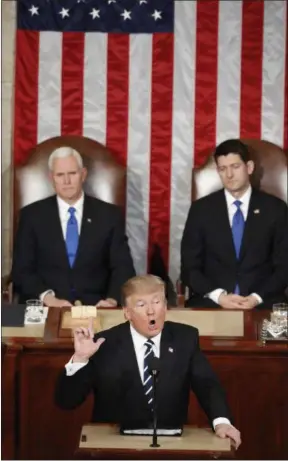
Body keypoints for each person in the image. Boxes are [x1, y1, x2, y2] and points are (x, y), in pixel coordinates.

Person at [55, 274, 241, 449]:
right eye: (141, 304)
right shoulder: (103, 343)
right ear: (127, 312)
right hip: (114, 447)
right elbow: (67, 401)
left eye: (157, 302)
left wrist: (222, 422)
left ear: (165, 306)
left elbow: (207, 384)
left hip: (171, 446)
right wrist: (80, 358)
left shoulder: (185, 338)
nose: (151, 311)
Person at [12, 146, 135, 307]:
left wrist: (111, 300)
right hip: (47, 306)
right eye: (60, 175)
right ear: (51, 178)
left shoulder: (109, 215)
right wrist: (48, 298)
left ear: (83, 174)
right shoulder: (31, 216)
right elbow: (22, 270)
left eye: (72, 173)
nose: (66, 181)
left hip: (97, 306)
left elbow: (123, 267)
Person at [181, 139, 288, 309]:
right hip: (213, 303)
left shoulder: (275, 209)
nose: (229, 175)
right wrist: (219, 296)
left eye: (235, 167)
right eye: (223, 169)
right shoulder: (201, 210)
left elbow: (284, 267)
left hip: (263, 302)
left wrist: (255, 297)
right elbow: (189, 268)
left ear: (250, 167)